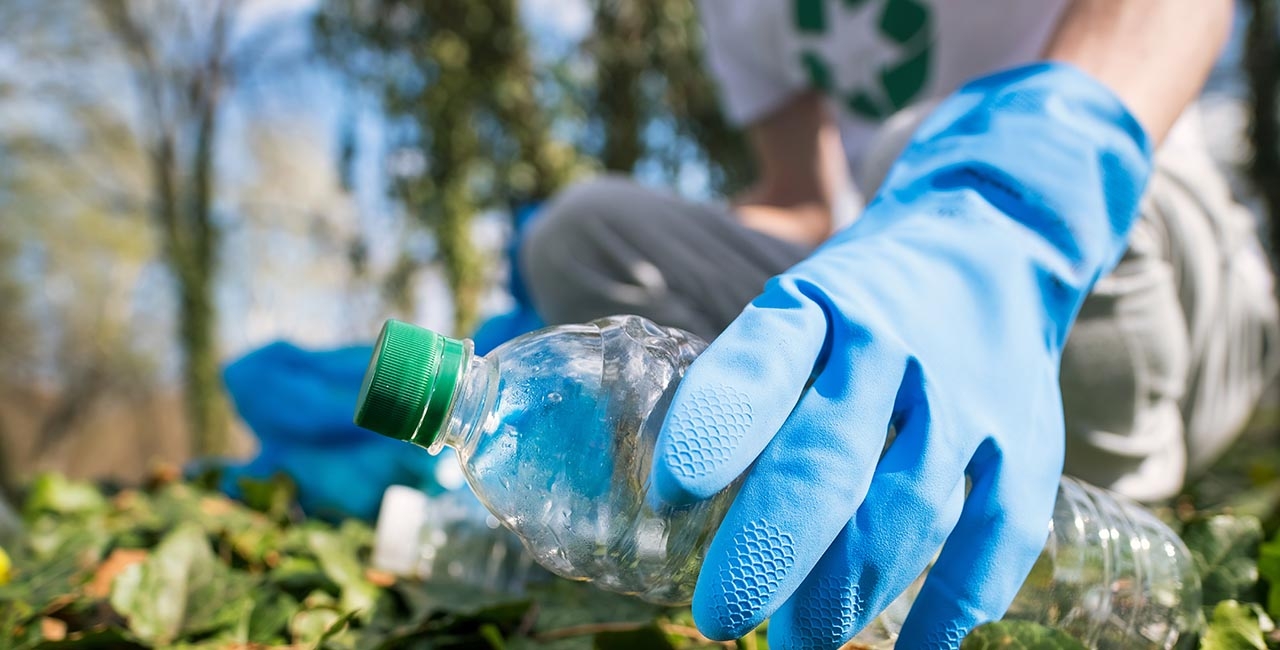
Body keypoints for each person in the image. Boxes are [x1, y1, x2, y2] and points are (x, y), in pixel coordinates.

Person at [518, 0, 1280, 647]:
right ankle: (864, 493)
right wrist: (585, 364)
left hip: (1135, 246)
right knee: (582, 234)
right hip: (902, 260)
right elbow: (800, 202)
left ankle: (1097, 513)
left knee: (905, 147)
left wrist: (1001, 209)